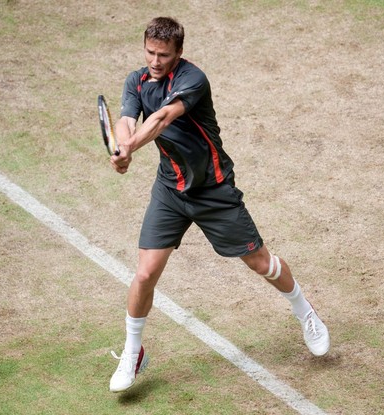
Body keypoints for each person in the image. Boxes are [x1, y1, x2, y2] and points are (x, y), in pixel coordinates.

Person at [108, 16, 330, 393]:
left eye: (164, 54)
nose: (155, 61)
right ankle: (132, 353)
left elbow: (161, 118)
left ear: (179, 53)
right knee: (145, 274)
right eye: (150, 52)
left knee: (261, 262)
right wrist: (121, 147)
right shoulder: (136, 81)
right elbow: (127, 120)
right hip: (170, 189)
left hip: (214, 190)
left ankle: (305, 311)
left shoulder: (192, 80)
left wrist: (130, 147)